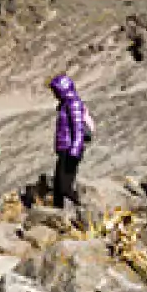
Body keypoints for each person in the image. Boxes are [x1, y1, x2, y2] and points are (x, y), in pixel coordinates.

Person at [49, 74, 89, 208]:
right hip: (64, 149)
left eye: (55, 91)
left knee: (64, 187)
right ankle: (57, 215)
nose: (54, 94)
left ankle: (83, 207)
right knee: (57, 187)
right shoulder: (64, 104)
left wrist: (75, 150)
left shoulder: (73, 103)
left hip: (70, 150)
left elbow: (78, 128)